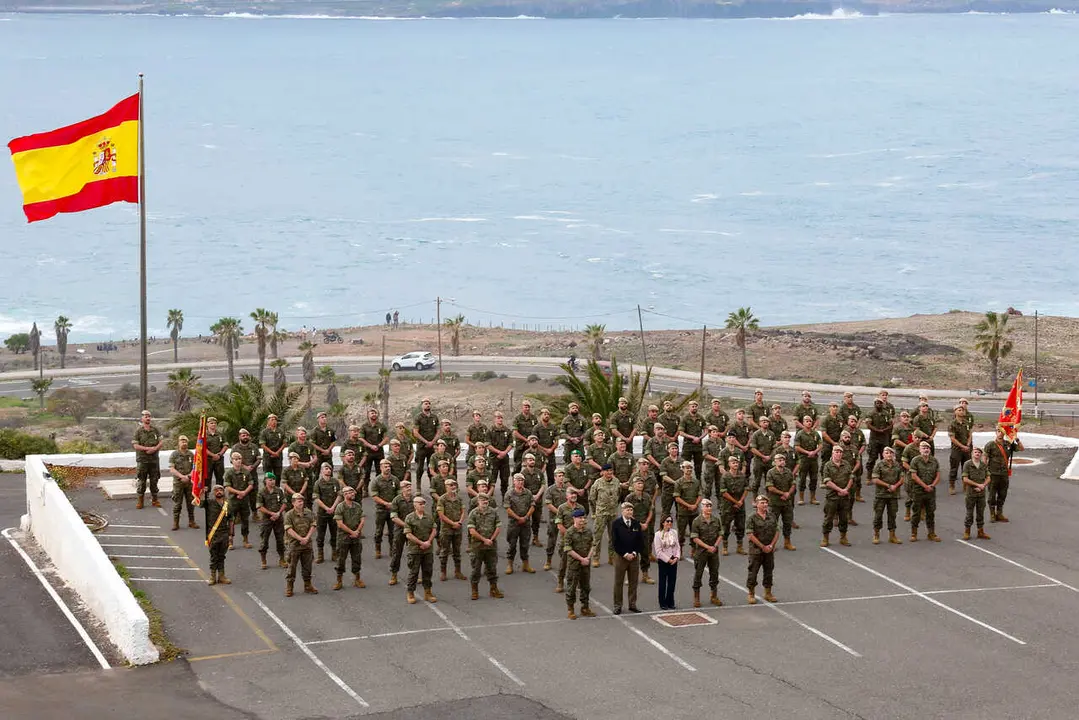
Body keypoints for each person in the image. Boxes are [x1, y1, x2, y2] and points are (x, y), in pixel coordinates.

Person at [467, 492, 504, 600]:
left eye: (486, 500)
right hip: (477, 547)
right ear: (478, 501)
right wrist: (484, 540)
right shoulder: (473, 513)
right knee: (476, 570)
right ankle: (475, 590)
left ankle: (493, 589)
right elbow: (472, 531)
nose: (485, 502)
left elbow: (498, 526)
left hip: (491, 546)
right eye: (483, 500)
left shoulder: (493, 512)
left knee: (492, 568)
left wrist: (491, 539)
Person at [611, 502, 644, 614]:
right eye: (627, 510)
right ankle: (617, 605)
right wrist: (625, 554)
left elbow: (640, 541)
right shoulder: (616, 524)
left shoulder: (636, 524)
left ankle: (632, 604)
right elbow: (615, 542)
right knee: (618, 582)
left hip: (634, 558)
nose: (629, 512)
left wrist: (634, 553)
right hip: (621, 557)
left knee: (633, 582)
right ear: (622, 511)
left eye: (631, 510)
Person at [985, 426, 1024, 522]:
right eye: (998, 431)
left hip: (1004, 474)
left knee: (1002, 494)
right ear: (995, 433)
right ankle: (992, 514)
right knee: (992, 495)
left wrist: (1016, 439)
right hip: (993, 473)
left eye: (1002, 431)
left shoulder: (1008, 444)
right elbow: (985, 458)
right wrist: (984, 471)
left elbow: (1021, 449)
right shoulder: (990, 444)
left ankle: (999, 513)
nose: (1000, 433)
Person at [690, 499, 723, 608]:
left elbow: (720, 534)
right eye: (706, 506)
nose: (709, 508)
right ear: (702, 507)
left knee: (714, 573)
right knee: (698, 574)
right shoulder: (697, 521)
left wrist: (715, 546)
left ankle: (714, 596)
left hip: (713, 551)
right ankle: (696, 597)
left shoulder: (716, 520)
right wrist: (708, 547)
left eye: (710, 506)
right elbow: (695, 538)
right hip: (701, 552)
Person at [404, 496, 437, 604]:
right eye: (420, 504)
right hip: (415, 550)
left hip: (427, 549)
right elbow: (408, 534)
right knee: (414, 572)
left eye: (423, 504)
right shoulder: (409, 518)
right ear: (415, 505)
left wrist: (428, 542)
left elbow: (434, 530)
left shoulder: (429, 517)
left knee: (428, 572)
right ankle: (410, 592)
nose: (423, 505)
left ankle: (428, 592)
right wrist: (421, 543)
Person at [746, 495, 778, 604]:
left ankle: (768, 593)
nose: (764, 505)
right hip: (756, 550)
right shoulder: (752, 517)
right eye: (762, 503)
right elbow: (750, 535)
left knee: (769, 571)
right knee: (753, 572)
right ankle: (751, 593)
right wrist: (762, 546)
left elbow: (777, 531)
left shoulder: (772, 516)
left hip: (769, 549)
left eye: (765, 503)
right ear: (756, 504)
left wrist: (771, 545)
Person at [564, 509, 596, 619]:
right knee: (571, 587)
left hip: (586, 563)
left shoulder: (588, 531)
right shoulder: (569, 532)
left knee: (586, 587)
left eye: (583, 518)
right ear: (574, 518)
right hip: (574, 565)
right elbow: (568, 549)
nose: (582, 520)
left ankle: (585, 608)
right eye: (580, 518)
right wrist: (581, 559)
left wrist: (588, 557)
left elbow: (593, 544)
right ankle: (570, 609)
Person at [333, 485, 366, 591]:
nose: (353, 494)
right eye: (351, 493)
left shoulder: (357, 506)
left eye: (353, 492)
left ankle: (357, 579)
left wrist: (357, 532)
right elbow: (339, 524)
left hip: (356, 537)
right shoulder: (340, 507)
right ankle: (339, 580)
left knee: (357, 558)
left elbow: (362, 519)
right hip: (344, 538)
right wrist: (352, 532)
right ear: (345, 494)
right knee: (341, 559)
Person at [284, 493, 317, 596]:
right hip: (294, 545)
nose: (301, 502)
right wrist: (300, 539)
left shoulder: (308, 512)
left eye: (302, 500)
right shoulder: (289, 515)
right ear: (293, 503)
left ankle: (308, 586)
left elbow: (314, 525)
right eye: (299, 501)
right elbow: (289, 529)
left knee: (307, 566)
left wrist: (307, 538)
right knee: (292, 567)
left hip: (307, 544)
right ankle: (290, 587)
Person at [869, 447, 904, 545]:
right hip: (881, 495)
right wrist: (888, 486)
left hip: (893, 495)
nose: (889, 454)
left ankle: (892, 536)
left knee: (892, 515)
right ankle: (876, 534)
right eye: (886, 453)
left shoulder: (897, 465)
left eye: (891, 453)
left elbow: (902, 478)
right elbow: (875, 479)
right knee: (878, 515)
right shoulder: (879, 465)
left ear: (893, 455)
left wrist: (895, 486)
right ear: (883, 454)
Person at [909, 441, 942, 543]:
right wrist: (925, 486)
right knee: (916, 513)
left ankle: (931, 533)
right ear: (920, 450)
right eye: (923, 448)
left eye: (927, 448)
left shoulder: (934, 461)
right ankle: (914, 533)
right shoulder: (915, 460)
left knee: (930, 512)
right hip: (918, 491)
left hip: (931, 491)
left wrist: (932, 485)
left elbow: (938, 475)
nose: (926, 450)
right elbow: (914, 476)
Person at [820, 446, 852, 548]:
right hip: (832, 497)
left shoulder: (846, 464)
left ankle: (843, 537)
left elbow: (851, 477)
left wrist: (846, 489)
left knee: (844, 518)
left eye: (840, 452)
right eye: (836, 451)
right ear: (832, 453)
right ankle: (825, 538)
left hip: (844, 497)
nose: (838, 453)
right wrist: (840, 490)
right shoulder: (828, 465)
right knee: (828, 518)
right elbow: (827, 482)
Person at [589, 464, 620, 567]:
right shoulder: (597, 483)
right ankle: (596, 558)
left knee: (613, 536)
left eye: (611, 471)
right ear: (602, 472)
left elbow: (618, 495)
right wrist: (594, 512)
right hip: (601, 513)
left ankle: (612, 557)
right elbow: (592, 498)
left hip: (613, 513)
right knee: (597, 536)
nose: (609, 473)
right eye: (607, 471)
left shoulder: (616, 481)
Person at [764, 454, 797, 551]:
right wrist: (783, 493)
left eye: (783, 460)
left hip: (786, 502)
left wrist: (788, 493)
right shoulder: (771, 472)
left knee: (787, 522)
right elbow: (770, 487)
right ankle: (772, 544)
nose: (781, 461)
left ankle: (787, 542)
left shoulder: (788, 472)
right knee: (772, 523)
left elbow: (793, 484)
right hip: (775, 502)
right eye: (779, 460)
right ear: (775, 461)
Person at [504, 473, 535, 574]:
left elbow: (532, 506)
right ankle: (509, 565)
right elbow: (508, 509)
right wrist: (518, 518)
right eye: (518, 480)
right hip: (514, 524)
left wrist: (525, 517)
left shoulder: (528, 493)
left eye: (522, 480)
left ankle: (526, 565)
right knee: (512, 545)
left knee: (525, 545)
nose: (520, 482)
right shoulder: (509, 494)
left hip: (525, 523)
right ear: (514, 481)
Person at [436, 478, 467, 582]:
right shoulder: (442, 499)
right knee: (444, 551)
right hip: (446, 529)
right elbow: (441, 515)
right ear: (446, 487)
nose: (453, 487)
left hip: (457, 529)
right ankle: (443, 572)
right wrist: (452, 523)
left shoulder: (459, 498)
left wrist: (460, 522)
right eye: (451, 485)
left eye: (454, 485)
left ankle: (458, 571)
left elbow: (463, 511)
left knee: (457, 551)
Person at [626, 477, 655, 585]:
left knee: (645, 551)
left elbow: (651, 511)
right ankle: (630, 577)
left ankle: (645, 575)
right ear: (633, 485)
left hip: (644, 527)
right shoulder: (629, 498)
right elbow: (627, 513)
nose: (640, 485)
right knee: (632, 552)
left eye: (642, 483)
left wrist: (646, 523)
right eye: (638, 483)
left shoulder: (647, 497)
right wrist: (639, 524)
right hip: (633, 527)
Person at [256, 472, 288, 569]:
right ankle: (263, 560)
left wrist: (278, 513)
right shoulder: (261, 492)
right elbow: (259, 507)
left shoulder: (279, 491)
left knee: (280, 540)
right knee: (264, 541)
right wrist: (271, 513)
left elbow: (284, 503)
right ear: (265, 481)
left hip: (278, 519)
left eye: (273, 479)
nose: (272, 481)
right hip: (267, 520)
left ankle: (282, 559)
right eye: (270, 480)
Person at [554, 487, 583, 594]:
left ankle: (579, 581)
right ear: (567, 496)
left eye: (575, 494)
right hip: (566, 540)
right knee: (564, 562)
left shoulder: (580, 507)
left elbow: (582, 523)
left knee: (579, 562)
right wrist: (570, 535)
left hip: (579, 540)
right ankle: (560, 581)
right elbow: (559, 525)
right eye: (571, 494)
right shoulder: (562, 508)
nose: (574, 495)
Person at [133, 410, 163, 509]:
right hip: (143, 460)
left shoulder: (155, 430)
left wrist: (155, 449)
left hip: (154, 460)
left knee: (154, 480)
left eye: (149, 416)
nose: (148, 418)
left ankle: (155, 500)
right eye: (146, 416)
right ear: (142, 418)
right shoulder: (138, 431)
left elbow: (161, 442)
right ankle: (140, 500)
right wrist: (147, 449)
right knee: (142, 480)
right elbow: (136, 445)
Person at [224, 451, 254, 550]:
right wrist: (238, 493)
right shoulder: (229, 473)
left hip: (244, 500)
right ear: (232, 461)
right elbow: (227, 487)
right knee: (231, 520)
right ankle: (230, 540)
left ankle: (245, 540)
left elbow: (251, 484)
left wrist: (244, 493)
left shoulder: (246, 472)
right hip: (233, 501)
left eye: (239, 459)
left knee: (245, 520)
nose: (238, 461)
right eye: (235, 459)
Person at [370, 459, 400, 559]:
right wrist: (385, 503)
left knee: (393, 531)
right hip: (381, 510)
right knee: (379, 531)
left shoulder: (395, 479)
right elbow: (374, 496)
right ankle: (378, 549)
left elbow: (399, 493)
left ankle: (392, 549)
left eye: (389, 466)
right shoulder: (376, 480)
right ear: (381, 467)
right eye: (385, 466)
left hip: (392, 509)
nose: (388, 468)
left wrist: (394, 503)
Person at [719, 456, 748, 556]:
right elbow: (723, 492)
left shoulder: (742, 475)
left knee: (740, 526)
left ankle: (740, 547)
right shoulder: (725, 476)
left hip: (740, 505)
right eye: (733, 462)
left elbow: (746, 488)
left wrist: (740, 501)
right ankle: (725, 547)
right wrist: (736, 501)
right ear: (729, 464)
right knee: (725, 526)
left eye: (737, 463)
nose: (735, 464)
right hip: (728, 505)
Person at [312, 463, 341, 564]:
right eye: (326, 468)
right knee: (320, 535)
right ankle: (320, 555)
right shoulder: (318, 483)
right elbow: (316, 498)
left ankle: (334, 554)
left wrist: (333, 507)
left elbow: (339, 495)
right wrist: (326, 508)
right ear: (321, 471)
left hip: (333, 512)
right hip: (322, 513)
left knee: (334, 534)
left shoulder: (335, 481)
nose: (329, 470)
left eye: (330, 468)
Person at [168, 435, 198, 531]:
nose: (184, 443)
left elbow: (195, 468)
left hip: (189, 482)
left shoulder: (191, 454)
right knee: (178, 503)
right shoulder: (174, 454)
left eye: (185, 441)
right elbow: (172, 469)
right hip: (178, 482)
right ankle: (175, 523)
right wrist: (182, 477)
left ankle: (191, 521)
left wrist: (188, 476)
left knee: (191, 503)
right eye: (182, 441)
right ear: (178, 443)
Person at [387, 482, 414, 586]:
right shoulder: (397, 500)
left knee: (413, 553)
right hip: (400, 530)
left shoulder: (415, 499)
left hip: (413, 530)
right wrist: (406, 525)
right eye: (406, 487)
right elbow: (394, 517)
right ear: (401, 489)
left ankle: (414, 574)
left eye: (409, 486)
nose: (408, 488)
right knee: (396, 553)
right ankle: (394, 575)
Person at [962, 447, 992, 540]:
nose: (977, 454)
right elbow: (965, 479)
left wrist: (983, 485)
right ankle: (967, 531)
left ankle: (980, 532)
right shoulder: (967, 464)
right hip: (971, 493)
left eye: (979, 452)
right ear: (972, 454)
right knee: (969, 513)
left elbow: (988, 477)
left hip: (981, 494)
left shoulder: (983, 465)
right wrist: (978, 485)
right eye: (975, 452)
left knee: (980, 513)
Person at [205, 484, 231, 586]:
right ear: (213, 493)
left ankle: (221, 575)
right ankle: (212, 576)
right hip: (213, 534)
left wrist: (231, 535)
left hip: (224, 533)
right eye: (216, 490)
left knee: (222, 556)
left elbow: (231, 519)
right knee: (213, 556)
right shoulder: (210, 503)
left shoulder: (227, 504)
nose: (219, 492)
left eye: (220, 490)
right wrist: (203, 492)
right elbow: (199, 502)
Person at [653, 516, 681, 610]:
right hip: (664, 560)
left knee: (672, 582)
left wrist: (676, 557)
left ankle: (670, 601)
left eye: (671, 521)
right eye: (667, 521)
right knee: (663, 582)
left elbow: (677, 546)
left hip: (674, 560)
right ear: (662, 523)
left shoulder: (674, 532)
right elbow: (658, 551)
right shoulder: (658, 534)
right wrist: (668, 560)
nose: (669, 523)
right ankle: (662, 602)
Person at [413, 398, 440, 491]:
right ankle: (418, 487)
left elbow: (438, 431)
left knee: (431, 467)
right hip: (422, 446)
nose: (427, 405)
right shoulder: (418, 417)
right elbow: (415, 432)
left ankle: (432, 486)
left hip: (432, 446)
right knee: (419, 467)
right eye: (425, 403)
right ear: (422, 406)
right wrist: (426, 442)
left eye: (428, 403)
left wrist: (432, 442)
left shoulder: (434, 417)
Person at [544, 469, 568, 571]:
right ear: (555, 477)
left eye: (562, 475)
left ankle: (564, 561)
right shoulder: (550, 489)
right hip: (554, 518)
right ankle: (548, 560)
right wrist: (560, 512)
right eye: (559, 475)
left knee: (565, 541)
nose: (561, 477)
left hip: (566, 519)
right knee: (552, 540)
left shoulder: (567, 489)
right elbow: (548, 504)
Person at [794, 418, 821, 505]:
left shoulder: (815, 433)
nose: (809, 423)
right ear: (803, 423)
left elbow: (820, 444)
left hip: (813, 459)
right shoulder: (800, 434)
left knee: (814, 478)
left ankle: (813, 498)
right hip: (803, 459)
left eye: (810, 421)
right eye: (807, 421)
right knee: (802, 478)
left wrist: (814, 452)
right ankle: (801, 498)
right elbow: (797, 447)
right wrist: (808, 452)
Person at [947, 406, 973, 496]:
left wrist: (968, 445)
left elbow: (970, 435)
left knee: (966, 468)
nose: (962, 412)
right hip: (957, 449)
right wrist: (962, 446)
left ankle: (965, 486)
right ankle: (952, 485)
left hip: (966, 448)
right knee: (954, 468)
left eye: (963, 410)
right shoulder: (952, 424)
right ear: (955, 412)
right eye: (960, 410)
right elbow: (952, 438)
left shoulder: (966, 423)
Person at [487, 411, 513, 498]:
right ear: (494, 419)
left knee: (505, 479)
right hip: (494, 458)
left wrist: (504, 453)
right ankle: (490, 498)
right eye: (498, 417)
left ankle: (504, 497)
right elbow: (487, 444)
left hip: (504, 459)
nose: (500, 419)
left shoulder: (507, 430)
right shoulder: (490, 431)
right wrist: (499, 452)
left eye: (501, 417)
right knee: (492, 479)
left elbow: (511, 444)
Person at [259, 414, 286, 481]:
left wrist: (277, 452)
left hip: (278, 457)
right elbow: (262, 445)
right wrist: (272, 453)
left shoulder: (281, 431)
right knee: (268, 475)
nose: (274, 421)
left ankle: (277, 489)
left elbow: (285, 443)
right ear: (268, 422)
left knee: (278, 475)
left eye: (275, 420)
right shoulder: (264, 432)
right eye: (272, 420)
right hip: (268, 457)